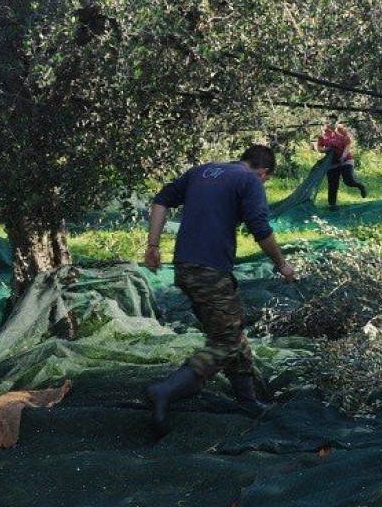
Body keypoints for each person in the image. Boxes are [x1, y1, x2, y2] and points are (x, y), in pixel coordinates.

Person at [141, 144, 297, 434]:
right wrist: (281, 264)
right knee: (225, 341)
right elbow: (259, 227)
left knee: (232, 330)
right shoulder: (249, 181)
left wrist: (153, 245)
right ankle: (167, 390)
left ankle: (247, 400)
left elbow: (161, 199)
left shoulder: (201, 171)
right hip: (209, 269)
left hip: (185, 266)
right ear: (263, 173)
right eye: (265, 179)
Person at [316, 116, 368, 210]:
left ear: (337, 122)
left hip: (345, 160)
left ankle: (360, 186)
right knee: (332, 185)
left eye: (333, 122)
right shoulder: (323, 134)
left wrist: (343, 157)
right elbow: (319, 148)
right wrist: (326, 149)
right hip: (331, 163)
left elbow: (347, 145)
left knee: (349, 180)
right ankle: (332, 205)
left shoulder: (342, 131)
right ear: (326, 124)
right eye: (329, 123)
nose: (331, 124)